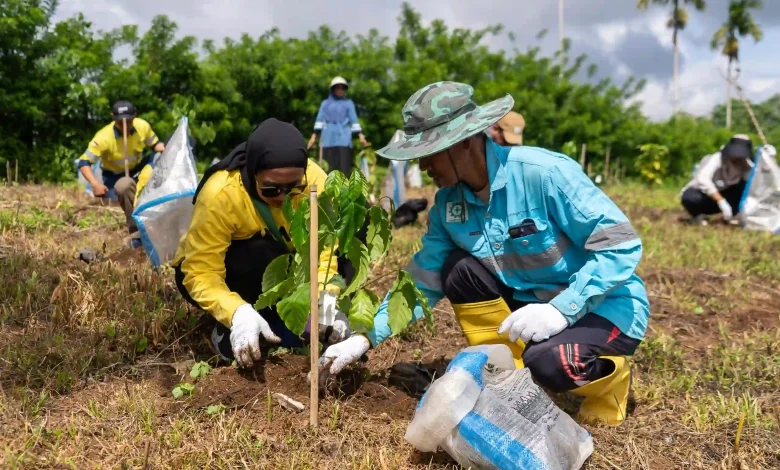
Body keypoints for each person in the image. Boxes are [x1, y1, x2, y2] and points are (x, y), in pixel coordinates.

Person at [317, 81, 650, 427]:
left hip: (605, 305)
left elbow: (620, 246)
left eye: (429, 152)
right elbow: (422, 281)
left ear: (461, 143)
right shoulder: (449, 205)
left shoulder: (544, 174)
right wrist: (364, 337)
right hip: (530, 308)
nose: (423, 165)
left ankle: (610, 384)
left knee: (553, 363)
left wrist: (561, 310)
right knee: (456, 269)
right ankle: (507, 375)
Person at [172, 118, 351, 368]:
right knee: (260, 251)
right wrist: (237, 313)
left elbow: (325, 253)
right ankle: (233, 323)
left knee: (351, 243)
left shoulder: (316, 182)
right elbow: (201, 271)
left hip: (285, 267)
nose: (283, 197)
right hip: (234, 269)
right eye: (271, 189)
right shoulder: (220, 194)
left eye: (293, 188)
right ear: (253, 171)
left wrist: (327, 303)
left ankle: (287, 322)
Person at [77, 100, 165, 247]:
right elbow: (83, 162)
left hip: (137, 170)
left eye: (129, 121)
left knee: (159, 159)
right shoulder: (103, 137)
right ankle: (137, 233)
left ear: (135, 116)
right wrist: (95, 184)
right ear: (113, 118)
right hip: (114, 177)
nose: (125, 126)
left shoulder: (143, 126)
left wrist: (165, 149)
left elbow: (155, 144)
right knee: (123, 189)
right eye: (120, 123)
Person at [681, 134, 754, 225]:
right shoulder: (716, 158)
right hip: (705, 197)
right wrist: (721, 201)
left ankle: (727, 218)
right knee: (690, 197)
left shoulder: (746, 164)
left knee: (744, 188)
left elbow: (753, 181)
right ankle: (698, 216)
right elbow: (702, 179)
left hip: (726, 196)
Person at [308, 76, 370, 176]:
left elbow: (354, 120)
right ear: (333, 89)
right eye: (338, 87)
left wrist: (361, 136)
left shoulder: (348, 103)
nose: (340, 90)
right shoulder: (325, 104)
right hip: (328, 139)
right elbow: (319, 120)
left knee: (344, 169)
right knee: (328, 170)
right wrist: (313, 136)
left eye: (342, 88)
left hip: (344, 139)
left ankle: (344, 190)